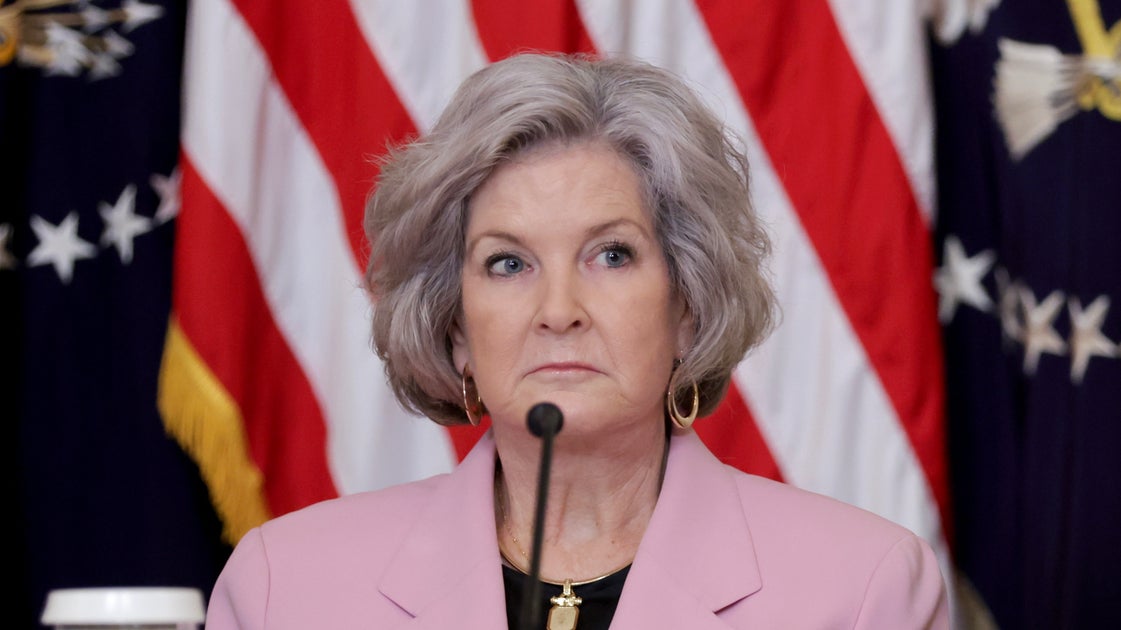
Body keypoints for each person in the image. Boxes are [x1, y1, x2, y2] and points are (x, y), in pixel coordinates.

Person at [204, 52, 949, 629]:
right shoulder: (285, 587)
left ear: (687, 308)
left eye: (611, 255)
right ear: (456, 329)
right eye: (508, 263)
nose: (558, 310)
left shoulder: (863, 589)